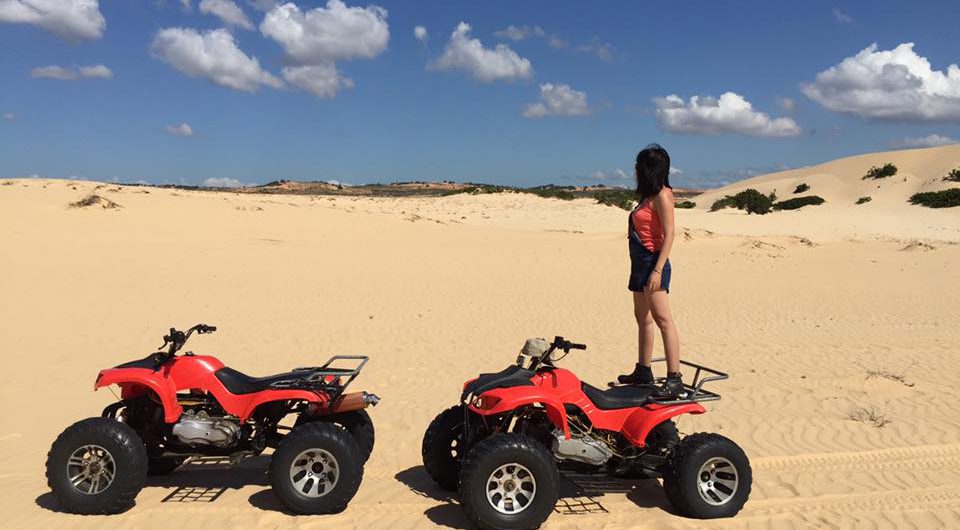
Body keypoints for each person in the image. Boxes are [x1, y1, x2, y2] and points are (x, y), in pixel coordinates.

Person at [617, 144, 686, 398]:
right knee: (643, 319)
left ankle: (674, 378)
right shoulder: (647, 197)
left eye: (638, 167)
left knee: (663, 320)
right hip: (639, 263)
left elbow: (670, 235)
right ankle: (643, 370)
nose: (635, 171)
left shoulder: (663, 196)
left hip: (653, 262)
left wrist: (657, 270)